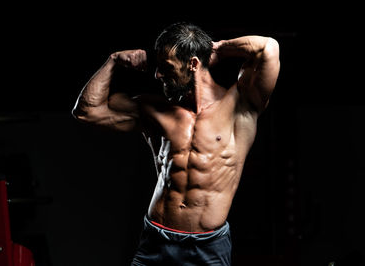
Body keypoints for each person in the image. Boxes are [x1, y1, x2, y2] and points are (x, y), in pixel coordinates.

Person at [72, 22, 280, 266]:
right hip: (156, 242)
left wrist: (218, 48)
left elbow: (268, 47)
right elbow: (87, 111)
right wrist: (113, 61)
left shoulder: (240, 105)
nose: (158, 75)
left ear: (193, 64)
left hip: (208, 247)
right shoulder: (154, 110)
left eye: (166, 67)